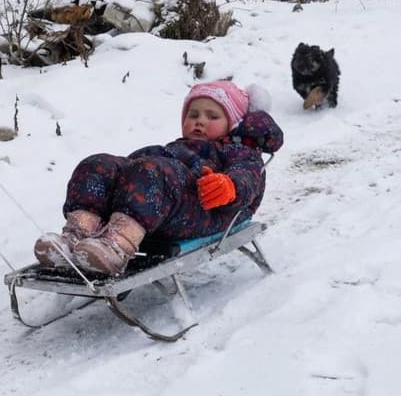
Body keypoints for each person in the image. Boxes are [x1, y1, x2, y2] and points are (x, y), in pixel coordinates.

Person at [33, 82, 283, 277]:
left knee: (153, 170)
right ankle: (76, 235)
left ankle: (116, 246)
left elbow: (248, 178)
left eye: (212, 116)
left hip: (207, 211)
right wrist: (118, 176)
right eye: (193, 114)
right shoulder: (177, 147)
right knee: (98, 164)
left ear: (233, 124)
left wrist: (229, 187)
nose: (199, 120)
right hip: (162, 208)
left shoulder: (239, 152)